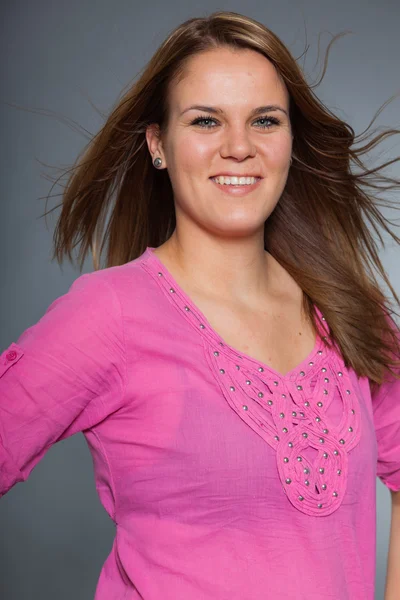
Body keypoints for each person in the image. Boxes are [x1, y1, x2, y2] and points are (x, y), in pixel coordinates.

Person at [1, 10, 400, 600]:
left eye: (265, 120)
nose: (238, 148)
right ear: (159, 145)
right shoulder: (110, 314)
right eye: (206, 121)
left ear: (291, 140)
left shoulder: (345, 309)